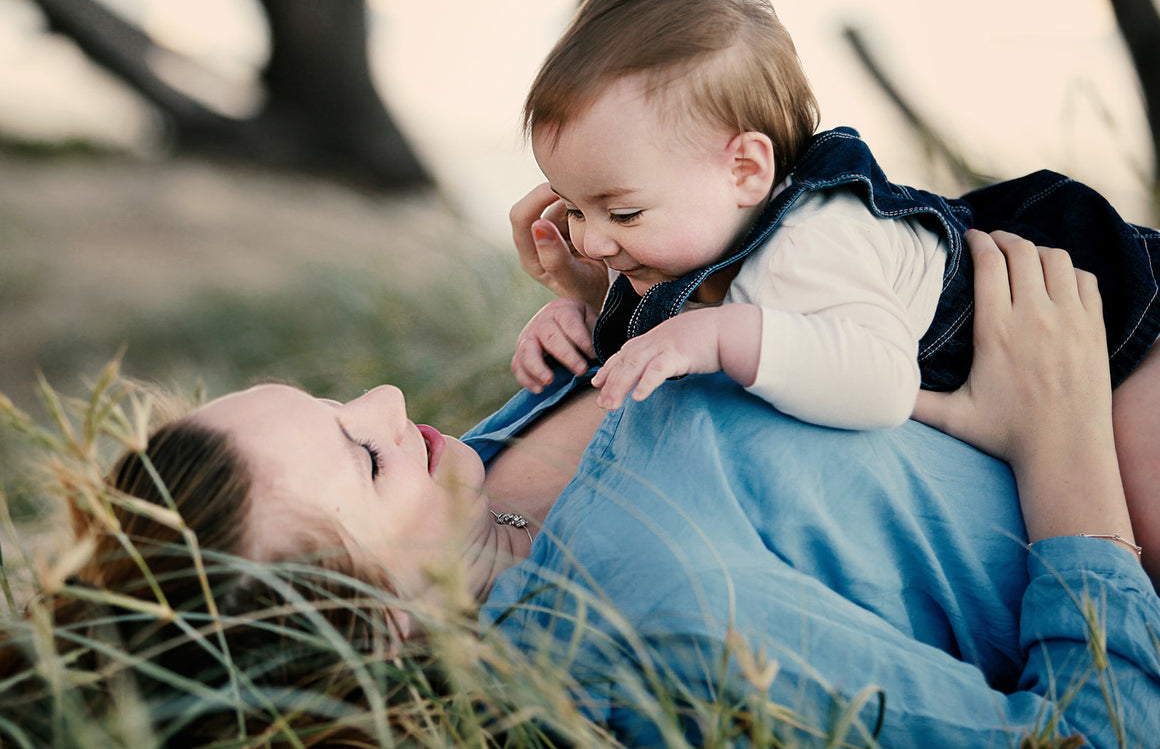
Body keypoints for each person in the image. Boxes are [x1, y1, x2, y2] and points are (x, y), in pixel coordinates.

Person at [3, 230, 1157, 746]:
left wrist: (625, 285)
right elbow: (1095, 733)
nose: (390, 399)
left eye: (332, 396)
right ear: (375, 623)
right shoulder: (654, 613)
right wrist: (1064, 439)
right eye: (362, 456)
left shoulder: (477, 488)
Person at [508, 0, 1160, 580]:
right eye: (572, 207)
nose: (590, 239)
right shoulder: (713, 231)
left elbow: (879, 381)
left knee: (1148, 520)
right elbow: (699, 310)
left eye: (621, 211)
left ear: (745, 171)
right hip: (1047, 353)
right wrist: (591, 308)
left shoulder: (811, 245)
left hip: (1122, 332)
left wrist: (721, 335)